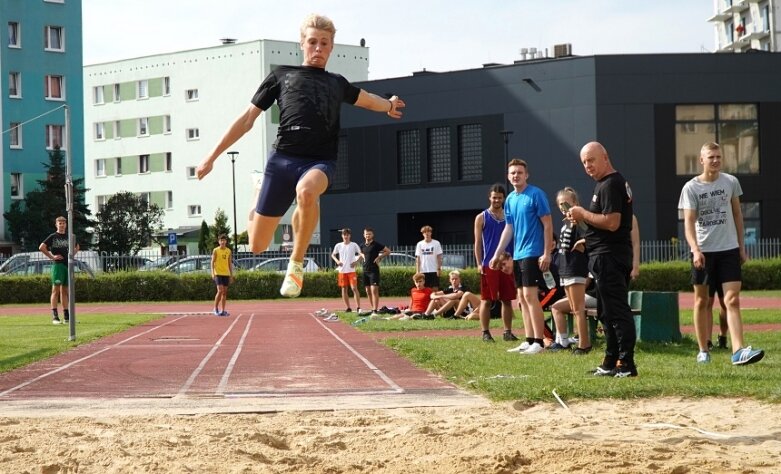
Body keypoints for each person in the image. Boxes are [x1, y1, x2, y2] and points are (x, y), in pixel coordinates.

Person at [196, 14, 405, 299]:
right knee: (257, 245)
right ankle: (257, 197)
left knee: (307, 192)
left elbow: (367, 98)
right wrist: (212, 156)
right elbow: (247, 119)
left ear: (331, 48)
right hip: (282, 161)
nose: (318, 48)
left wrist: (388, 104)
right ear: (302, 44)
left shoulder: (336, 83)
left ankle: (296, 265)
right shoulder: (281, 75)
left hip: (319, 161)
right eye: (313, 42)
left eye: (324, 43)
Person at [678, 142, 764, 365]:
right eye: (711, 157)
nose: (715, 160)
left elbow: (737, 214)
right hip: (704, 251)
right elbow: (688, 222)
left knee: (732, 300)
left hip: (729, 249)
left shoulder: (731, 182)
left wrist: (742, 247)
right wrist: (695, 249)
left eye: (718, 156)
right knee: (702, 301)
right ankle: (703, 349)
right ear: (702, 160)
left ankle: (738, 351)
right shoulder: (691, 188)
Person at [567, 141, 637, 377]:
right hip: (604, 255)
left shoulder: (610, 184)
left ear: (605, 157)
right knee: (606, 312)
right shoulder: (607, 184)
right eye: (584, 162)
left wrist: (581, 213)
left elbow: (612, 222)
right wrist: (588, 237)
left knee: (616, 310)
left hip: (609, 258)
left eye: (591, 160)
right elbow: (610, 226)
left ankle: (626, 364)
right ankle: (611, 361)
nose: (588, 166)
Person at [490, 159, 554, 354]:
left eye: (519, 172)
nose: (516, 175)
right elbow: (508, 228)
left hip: (533, 253)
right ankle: (528, 339)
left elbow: (548, 224)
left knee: (530, 296)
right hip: (518, 254)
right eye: (512, 173)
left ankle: (539, 342)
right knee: (521, 298)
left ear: (526, 175)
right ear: (509, 177)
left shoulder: (536, 194)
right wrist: (497, 254)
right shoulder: (509, 199)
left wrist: (546, 253)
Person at [547, 187, 591, 353]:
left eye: (566, 203)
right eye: (560, 204)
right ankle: (575, 341)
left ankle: (584, 344)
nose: (563, 207)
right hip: (566, 271)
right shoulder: (566, 224)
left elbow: (592, 237)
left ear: (575, 203)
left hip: (576, 270)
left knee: (579, 309)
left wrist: (582, 243)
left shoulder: (579, 222)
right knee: (573, 309)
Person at [474, 184, 517, 342]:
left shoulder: (510, 216)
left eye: (499, 197)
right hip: (489, 264)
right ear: (489, 197)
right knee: (486, 299)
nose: (497, 200)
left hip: (507, 265)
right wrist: (479, 263)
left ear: (504, 198)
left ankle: (507, 332)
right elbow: (477, 243)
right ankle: (485, 332)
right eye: (494, 197)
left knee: (507, 299)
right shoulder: (482, 217)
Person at [39, 216, 78, 325]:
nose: (62, 225)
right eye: (59, 223)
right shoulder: (53, 236)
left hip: (67, 266)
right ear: (56, 225)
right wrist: (52, 257)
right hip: (58, 266)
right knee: (55, 290)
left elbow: (77, 247)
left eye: (63, 223)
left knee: (65, 291)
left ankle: (66, 317)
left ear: (66, 224)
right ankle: (55, 317)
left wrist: (72, 255)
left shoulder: (69, 237)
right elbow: (41, 247)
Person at [359, 227, 390, 316]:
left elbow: (388, 251)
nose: (368, 235)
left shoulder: (376, 244)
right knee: (368, 291)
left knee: (374, 290)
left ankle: (375, 310)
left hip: (374, 271)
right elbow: (360, 253)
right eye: (366, 234)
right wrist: (361, 255)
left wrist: (379, 257)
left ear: (372, 235)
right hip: (365, 270)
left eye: (369, 234)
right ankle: (373, 308)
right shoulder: (362, 245)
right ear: (364, 235)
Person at [331, 228, 362, 313]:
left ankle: (358, 307)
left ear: (350, 236)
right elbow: (333, 255)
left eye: (347, 235)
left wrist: (356, 262)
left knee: (354, 288)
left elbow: (361, 254)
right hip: (342, 271)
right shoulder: (338, 245)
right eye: (344, 235)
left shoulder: (354, 245)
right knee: (344, 289)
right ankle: (348, 307)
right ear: (342, 236)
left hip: (351, 270)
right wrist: (337, 261)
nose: (346, 236)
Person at [211, 234, 234, 316]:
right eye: (221, 240)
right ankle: (215, 308)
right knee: (220, 290)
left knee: (224, 292)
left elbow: (229, 263)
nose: (223, 242)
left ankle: (223, 310)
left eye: (224, 240)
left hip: (226, 274)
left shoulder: (228, 251)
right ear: (219, 242)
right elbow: (212, 262)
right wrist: (212, 273)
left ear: (226, 241)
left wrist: (231, 275)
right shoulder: (216, 250)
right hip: (218, 273)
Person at [415, 226, 443, 290]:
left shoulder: (436, 243)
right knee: (424, 289)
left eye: (428, 232)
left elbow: (439, 257)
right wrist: (417, 271)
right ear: (422, 234)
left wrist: (439, 269)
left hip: (433, 270)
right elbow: (418, 258)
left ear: (431, 233)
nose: (426, 234)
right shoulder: (419, 244)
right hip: (423, 271)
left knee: (435, 289)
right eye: (424, 232)